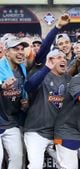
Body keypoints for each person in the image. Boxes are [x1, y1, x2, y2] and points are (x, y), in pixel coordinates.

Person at [24, 49, 71, 169]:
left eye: (64, 58)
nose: (63, 60)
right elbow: (29, 86)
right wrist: (46, 68)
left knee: (68, 166)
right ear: (50, 60)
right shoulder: (41, 75)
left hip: (58, 134)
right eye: (59, 57)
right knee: (35, 166)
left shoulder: (69, 79)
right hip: (37, 132)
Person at [0, 37, 29, 169]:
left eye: (22, 49)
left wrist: (24, 101)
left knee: (17, 158)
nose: (20, 52)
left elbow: (22, 89)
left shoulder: (22, 69)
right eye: (16, 49)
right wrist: (2, 86)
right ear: (6, 52)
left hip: (10, 120)